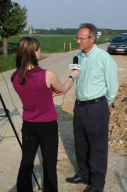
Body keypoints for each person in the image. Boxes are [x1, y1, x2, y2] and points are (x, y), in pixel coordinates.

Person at [11, 37, 79, 192]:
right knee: (49, 164)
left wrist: (46, 91)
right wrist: (72, 77)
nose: (40, 51)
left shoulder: (15, 76)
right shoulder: (47, 74)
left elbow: (32, 92)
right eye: (38, 49)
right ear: (33, 52)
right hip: (47, 125)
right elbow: (63, 89)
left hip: (28, 124)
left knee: (26, 162)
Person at [65, 23, 119, 192]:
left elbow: (113, 87)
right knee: (81, 143)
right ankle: (84, 174)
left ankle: (96, 184)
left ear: (92, 39)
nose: (78, 41)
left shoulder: (104, 58)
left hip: (96, 107)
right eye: (77, 38)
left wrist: (103, 104)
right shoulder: (78, 57)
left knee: (97, 147)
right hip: (80, 107)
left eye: (81, 38)